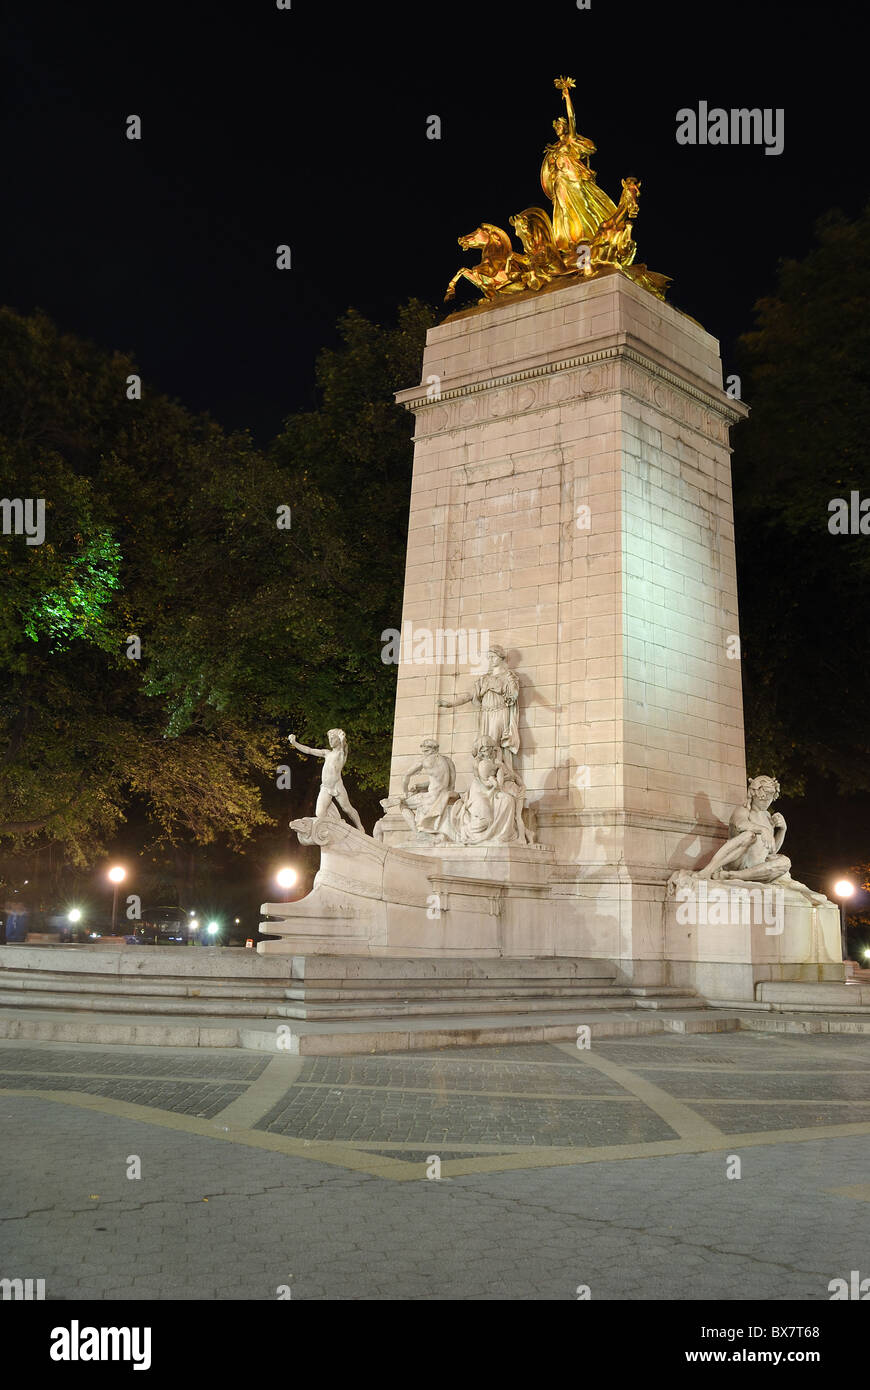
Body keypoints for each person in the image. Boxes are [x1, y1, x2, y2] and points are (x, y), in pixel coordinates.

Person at [287, 728, 365, 832]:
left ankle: (360, 827)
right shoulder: (327, 753)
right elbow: (309, 750)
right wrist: (295, 743)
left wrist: (342, 740)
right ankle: (334, 827)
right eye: (329, 739)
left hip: (337, 786)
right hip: (325, 787)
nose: (330, 741)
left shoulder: (341, 754)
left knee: (347, 808)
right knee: (319, 813)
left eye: (333, 738)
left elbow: (343, 749)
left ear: (338, 739)